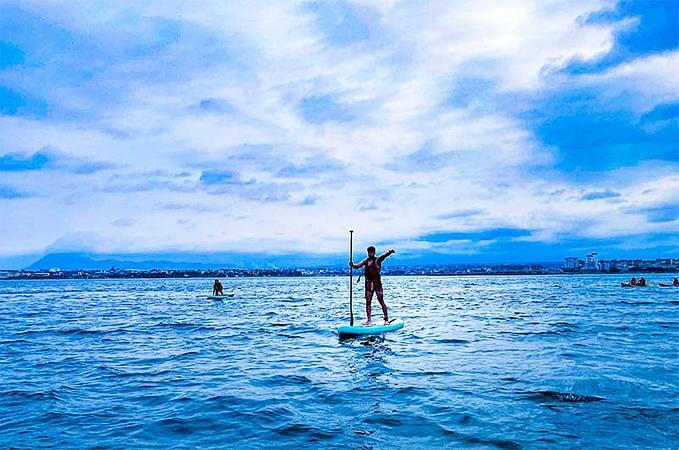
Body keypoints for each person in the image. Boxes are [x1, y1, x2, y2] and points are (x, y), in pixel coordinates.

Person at [349, 246, 396, 325]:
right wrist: (352, 265)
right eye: (368, 252)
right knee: (368, 302)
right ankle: (369, 320)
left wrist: (389, 252)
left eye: (371, 252)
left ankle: (386, 319)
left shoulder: (377, 260)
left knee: (381, 300)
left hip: (377, 284)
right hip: (368, 284)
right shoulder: (366, 261)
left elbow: (384, 256)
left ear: (374, 252)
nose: (369, 253)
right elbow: (357, 266)